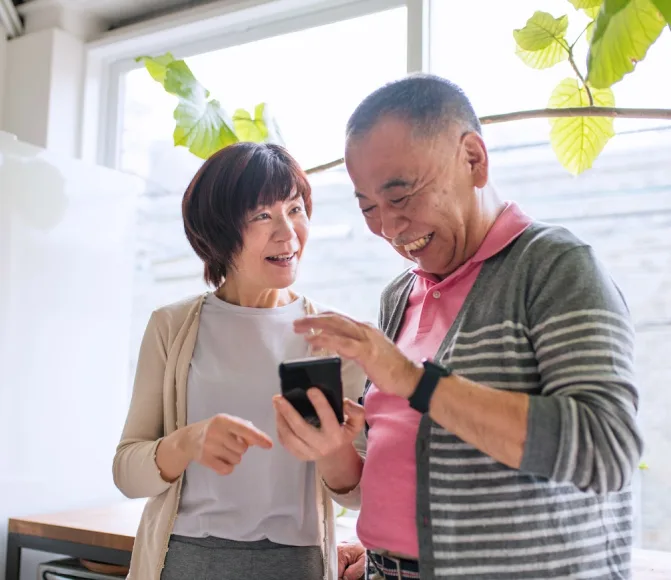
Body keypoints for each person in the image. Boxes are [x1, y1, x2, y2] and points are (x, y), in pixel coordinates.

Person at [275, 74, 644, 579]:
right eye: (367, 207)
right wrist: (334, 450)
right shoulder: (399, 296)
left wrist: (412, 379)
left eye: (400, 196)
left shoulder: (556, 267)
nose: (387, 228)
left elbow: (608, 450)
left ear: (473, 159)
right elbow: (395, 485)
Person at [112, 142, 367, 580]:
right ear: (218, 232)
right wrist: (188, 443)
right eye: (262, 216)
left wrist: (333, 449)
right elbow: (127, 472)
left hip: (298, 564)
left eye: (296, 209)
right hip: (187, 560)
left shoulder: (336, 337)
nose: (287, 233)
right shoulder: (172, 327)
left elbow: (358, 492)